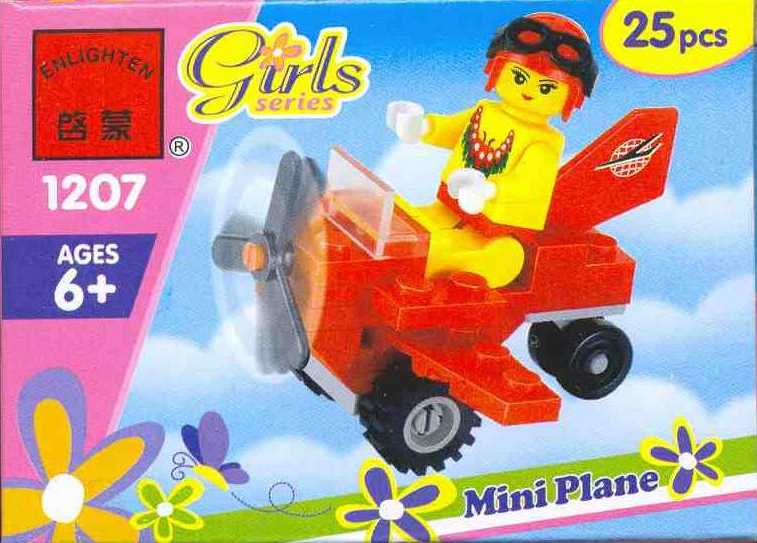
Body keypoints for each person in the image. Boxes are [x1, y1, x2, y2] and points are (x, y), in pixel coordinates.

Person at [386, 12, 598, 288]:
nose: (529, 91)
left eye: (547, 87)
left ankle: (462, 264)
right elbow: (451, 129)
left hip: (499, 231)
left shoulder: (545, 142)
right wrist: (422, 126)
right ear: (498, 68)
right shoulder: (485, 111)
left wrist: (488, 190)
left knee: (500, 255)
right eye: (519, 77)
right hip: (449, 208)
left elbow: (527, 184)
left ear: (571, 96)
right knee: (400, 221)